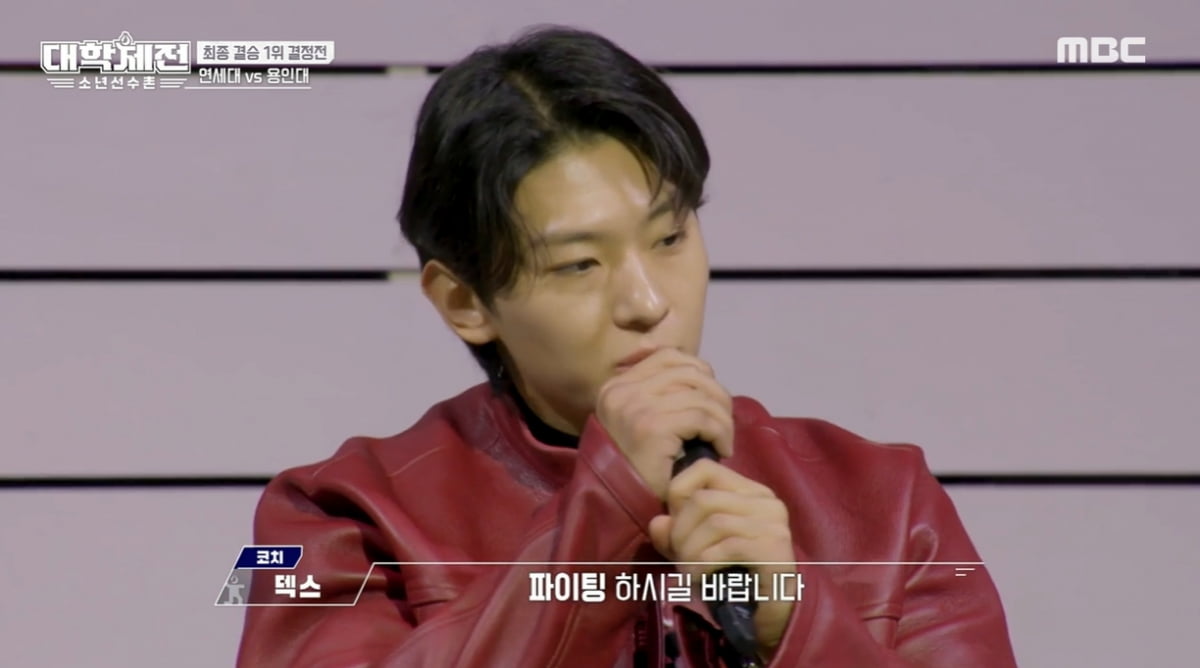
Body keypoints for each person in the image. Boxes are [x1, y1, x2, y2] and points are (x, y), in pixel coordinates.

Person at [236, 25, 1018, 668]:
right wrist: (607, 509)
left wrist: (797, 625)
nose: (648, 303)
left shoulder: (889, 502)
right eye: (580, 264)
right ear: (465, 301)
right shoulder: (334, 518)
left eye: (670, 238)